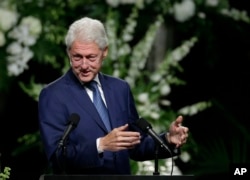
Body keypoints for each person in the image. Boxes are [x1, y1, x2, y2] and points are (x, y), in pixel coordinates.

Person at [38, 17, 189, 175]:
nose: (83, 65)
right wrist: (100, 145)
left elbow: (136, 145)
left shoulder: (119, 88)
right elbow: (56, 156)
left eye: (91, 57)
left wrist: (167, 140)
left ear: (105, 52)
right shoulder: (53, 95)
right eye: (77, 57)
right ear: (69, 53)